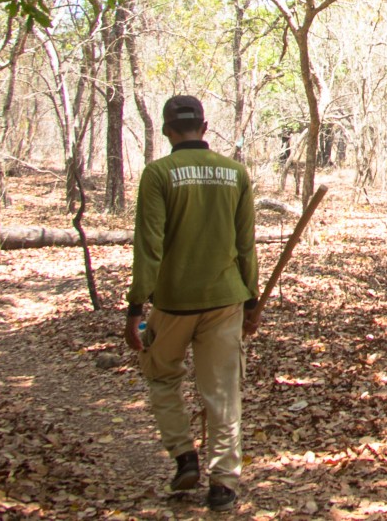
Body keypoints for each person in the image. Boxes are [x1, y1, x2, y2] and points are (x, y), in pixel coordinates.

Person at [125, 94, 260, 512]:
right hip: (225, 300)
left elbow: (149, 248)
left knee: (162, 375)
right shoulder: (235, 173)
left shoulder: (159, 173)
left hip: (173, 303)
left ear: (167, 129)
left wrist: (135, 308)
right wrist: (251, 300)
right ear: (204, 127)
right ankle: (223, 482)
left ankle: (185, 456)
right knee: (222, 392)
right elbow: (246, 246)